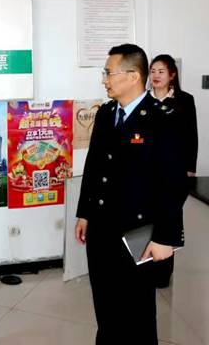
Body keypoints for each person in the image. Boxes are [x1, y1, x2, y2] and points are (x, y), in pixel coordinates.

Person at [75, 44, 189, 345]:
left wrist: (165, 237)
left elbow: (174, 183)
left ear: (133, 76)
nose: (104, 80)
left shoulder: (162, 119)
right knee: (105, 304)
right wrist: (85, 212)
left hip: (139, 232)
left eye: (109, 73)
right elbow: (94, 166)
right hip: (102, 228)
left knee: (137, 311)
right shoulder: (107, 113)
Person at [149, 53, 198, 288]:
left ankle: (163, 272)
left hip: (174, 172)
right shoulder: (143, 101)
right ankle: (146, 267)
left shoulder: (184, 100)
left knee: (170, 221)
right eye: (152, 71)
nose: (156, 76)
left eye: (161, 71)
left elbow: (191, 136)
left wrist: (190, 168)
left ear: (172, 75)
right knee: (147, 221)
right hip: (148, 173)